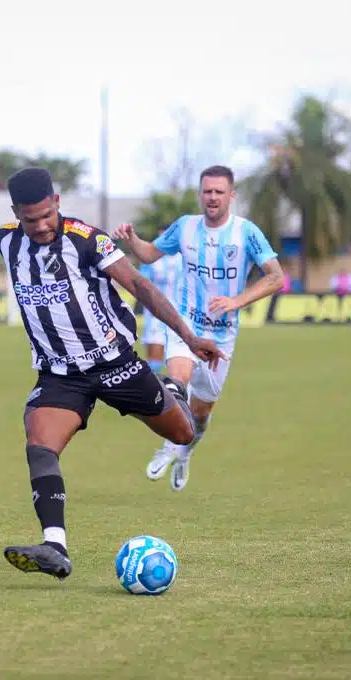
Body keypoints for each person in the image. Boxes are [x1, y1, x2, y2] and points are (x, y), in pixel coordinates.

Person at [0, 167, 223, 581]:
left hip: (115, 362)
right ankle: (54, 546)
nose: (42, 225)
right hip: (61, 375)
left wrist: (189, 339)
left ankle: (172, 385)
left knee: (182, 433)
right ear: (17, 214)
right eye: (31, 220)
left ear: (58, 203)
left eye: (48, 215)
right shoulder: (11, 238)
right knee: (39, 443)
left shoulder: (87, 240)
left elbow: (140, 286)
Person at [113, 165, 284, 492]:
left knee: (201, 414)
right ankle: (168, 445)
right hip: (185, 323)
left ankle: (185, 452)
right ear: (200, 194)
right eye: (207, 191)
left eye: (220, 192)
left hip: (222, 336)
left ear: (231, 195)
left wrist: (237, 301)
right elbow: (149, 255)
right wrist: (132, 238)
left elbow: (276, 277)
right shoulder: (186, 228)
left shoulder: (246, 232)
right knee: (177, 379)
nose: (213, 197)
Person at [138, 253, 183, 373]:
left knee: (180, 360)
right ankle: (155, 387)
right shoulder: (151, 258)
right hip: (155, 315)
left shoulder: (186, 256)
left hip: (181, 315)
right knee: (154, 359)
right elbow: (141, 284)